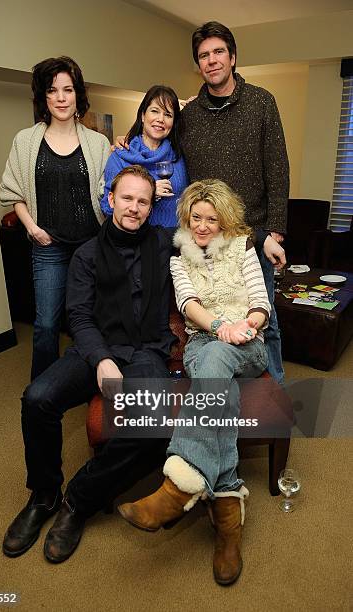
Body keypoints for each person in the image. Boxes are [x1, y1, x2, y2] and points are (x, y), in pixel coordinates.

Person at [2, 165, 175, 563]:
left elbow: (212, 233)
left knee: (154, 425)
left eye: (143, 201)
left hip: (146, 350)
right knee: (37, 398)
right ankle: (44, 496)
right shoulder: (87, 254)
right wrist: (101, 360)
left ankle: (77, 502)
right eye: (127, 198)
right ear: (111, 199)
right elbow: (78, 316)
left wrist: (266, 238)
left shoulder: (166, 243)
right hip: (94, 347)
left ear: (151, 208)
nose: (134, 207)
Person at [118, 179, 270, 586]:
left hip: (250, 343)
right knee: (214, 364)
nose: (202, 226)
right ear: (187, 219)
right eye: (195, 218)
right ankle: (227, 522)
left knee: (218, 359)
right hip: (204, 342)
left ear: (225, 221)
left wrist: (245, 326)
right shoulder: (178, 258)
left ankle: (179, 489)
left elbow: (261, 303)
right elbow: (188, 304)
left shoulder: (244, 250)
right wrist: (221, 327)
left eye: (211, 219)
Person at [180, 21, 288, 384]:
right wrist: (125, 143)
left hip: (252, 236)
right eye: (204, 56)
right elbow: (156, 141)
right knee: (214, 321)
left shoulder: (261, 102)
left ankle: (275, 404)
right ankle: (225, 393)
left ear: (233, 57)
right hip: (205, 239)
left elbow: (278, 168)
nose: (211, 61)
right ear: (199, 64)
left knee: (264, 322)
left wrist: (274, 231)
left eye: (218, 52)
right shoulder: (188, 115)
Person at [0, 56, 110, 380]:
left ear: (78, 95)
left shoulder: (98, 143)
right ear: (43, 97)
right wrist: (32, 228)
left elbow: (110, 193)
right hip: (48, 247)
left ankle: (91, 384)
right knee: (47, 324)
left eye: (68, 89)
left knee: (90, 321)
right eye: (52, 90)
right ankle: (43, 394)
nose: (61, 97)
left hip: (91, 248)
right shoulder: (26, 141)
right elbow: (12, 191)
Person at [101, 85, 188, 228]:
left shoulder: (178, 157)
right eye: (155, 111)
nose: (161, 119)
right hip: (135, 243)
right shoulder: (120, 157)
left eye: (168, 115)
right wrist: (148, 193)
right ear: (142, 115)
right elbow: (107, 207)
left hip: (173, 243)